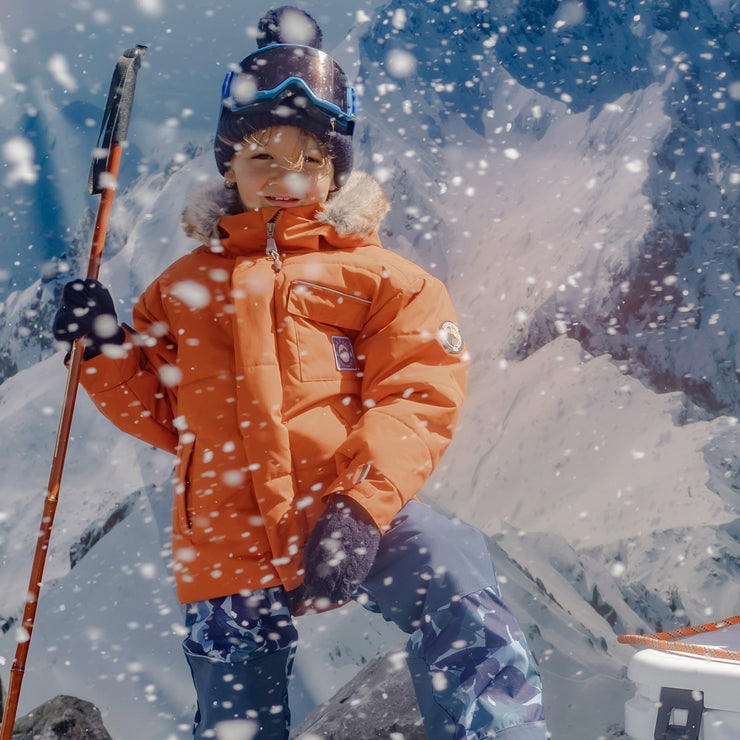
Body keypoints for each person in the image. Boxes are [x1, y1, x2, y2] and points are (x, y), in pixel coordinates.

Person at [53, 6, 547, 739]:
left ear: (337, 169)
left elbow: (417, 395)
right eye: (263, 159)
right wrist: (102, 349)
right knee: (236, 712)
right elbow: (163, 412)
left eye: (312, 161)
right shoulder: (182, 288)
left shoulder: (386, 281)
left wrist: (359, 506)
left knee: (455, 577)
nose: (289, 179)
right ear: (229, 167)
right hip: (228, 529)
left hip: (351, 507)